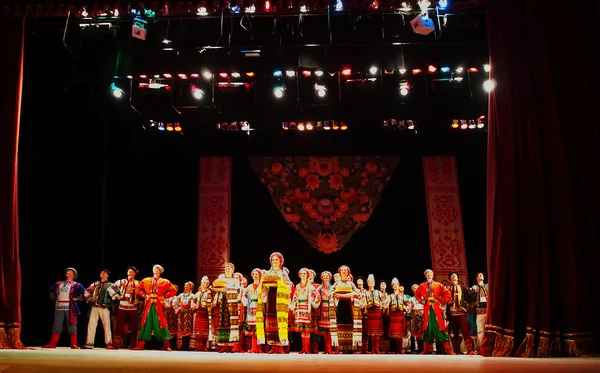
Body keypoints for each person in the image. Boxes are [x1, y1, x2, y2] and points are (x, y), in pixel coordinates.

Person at [132, 264, 178, 351]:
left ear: (160, 271)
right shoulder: (146, 280)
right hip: (148, 304)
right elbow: (137, 288)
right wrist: (144, 295)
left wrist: (164, 296)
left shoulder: (165, 281)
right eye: (154, 268)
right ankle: (140, 345)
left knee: (162, 323)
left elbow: (174, 290)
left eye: (157, 269)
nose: (155, 270)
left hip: (159, 305)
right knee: (145, 322)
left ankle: (166, 345)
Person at [256, 252, 292, 354]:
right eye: (273, 260)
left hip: (280, 298)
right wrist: (264, 286)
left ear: (281, 261)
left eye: (277, 260)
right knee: (270, 320)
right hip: (270, 297)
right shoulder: (267, 273)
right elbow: (262, 285)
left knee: (280, 321)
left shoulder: (283, 273)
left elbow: (289, 285)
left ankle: (280, 347)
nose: (275, 262)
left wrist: (280, 284)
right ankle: (273, 347)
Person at [42, 267, 86, 349]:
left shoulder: (76, 285)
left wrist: (78, 298)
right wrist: (54, 297)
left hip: (70, 307)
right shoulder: (59, 283)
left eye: (70, 272)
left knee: (72, 325)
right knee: (57, 325)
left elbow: (86, 293)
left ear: (73, 274)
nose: (68, 272)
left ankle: (73, 344)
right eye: (67, 271)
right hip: (59, 306)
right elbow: (51, 291)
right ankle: (52, 343)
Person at [414, 269, 454, 354]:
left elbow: (447, 294)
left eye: (431, 274)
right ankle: (426, 350)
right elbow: (417, 294)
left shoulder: (438, 285)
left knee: (441, 327)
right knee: (427, 327)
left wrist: (439, 300)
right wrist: (423, 301)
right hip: (427, 308)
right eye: (427, 274)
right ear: (425, 276)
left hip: (436, 308)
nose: (429, 275)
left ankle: (448, 349)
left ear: (433, 275)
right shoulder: (422, 286)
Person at [331, 265, 364, 353]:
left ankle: (351, 348)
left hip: (349, 305)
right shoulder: (337, 283)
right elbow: (330, 293)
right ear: (340, 272)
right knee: (341, 324)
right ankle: (342, 348)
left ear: (348, 272)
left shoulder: (351, 284)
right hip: (341, 306)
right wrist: (337, 295)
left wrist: (342, 295)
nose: (344, 271)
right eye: (342, 270)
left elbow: (358, 294)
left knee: (350, 324)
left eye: (345, 270)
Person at [107, 266, 141, 349]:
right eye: (129, 271)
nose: (130, 272)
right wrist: (116, 295)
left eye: (132, 271)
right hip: (122, 305)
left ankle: (134, 344)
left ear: (135, 273)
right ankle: (116, 344)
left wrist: (139, 301)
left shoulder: (138, 283)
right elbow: (110, 288)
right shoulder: (121, 281)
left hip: (133, 306)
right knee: (119, 325)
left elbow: (142, 292)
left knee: (134, 325)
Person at [212, 262, 241, 352]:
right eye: (226, 268)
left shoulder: (235, 281)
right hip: (224, 301)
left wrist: (221, 288)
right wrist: (214, 289)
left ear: (232, 270)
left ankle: (230, 345)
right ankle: (223, 345)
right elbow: (220, 288)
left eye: (229, 268)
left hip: (232, 302)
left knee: (231, 323)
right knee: (223, 322)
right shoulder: (222, 279)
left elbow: (236, 290)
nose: (227, 270)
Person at [292, 268, 321, 354]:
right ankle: (303, 348)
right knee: (302, 330)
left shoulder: (310, 286)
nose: (303, 275)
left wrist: (313, 302)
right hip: (300, 308)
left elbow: (317, 295)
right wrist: (294, 308)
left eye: (304, 273)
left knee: (307, 330)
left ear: (307, 275)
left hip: (307, 309)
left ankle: (307, 349)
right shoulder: (297, 286)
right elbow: (294, 297)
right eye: (301, 273)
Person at [83, 269, 113, 349]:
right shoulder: (96, 284)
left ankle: (109, 343)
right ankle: (89, 343)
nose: (103, 274)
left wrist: (110, 303)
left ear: (108, 276)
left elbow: (116, 294)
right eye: (102, 272)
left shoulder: (110, 285)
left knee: (106, 325)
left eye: (105, 273)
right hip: (95, 306)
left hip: (104, 307)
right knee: (91, 324)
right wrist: (90, 299)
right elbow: (87, 291)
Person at [241, 269, 262, 353]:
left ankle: (260, 348)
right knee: (253, 328)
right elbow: (243, 295)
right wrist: (246, 303)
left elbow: (265, 295)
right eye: (253, 274)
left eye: (256, 274)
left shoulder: (262, 285)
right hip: (251, 307)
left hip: (259, 307)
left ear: (259, 275)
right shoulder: (249, 287)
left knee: (259, 328)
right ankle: (254, 347)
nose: (254, 275)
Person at [388, 278, 411, 354]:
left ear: (398, 285)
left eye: (396, 284)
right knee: (394, 333)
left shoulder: (402, 296)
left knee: (400, 333)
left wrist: (407, 308)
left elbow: (408, 303)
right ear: (392, 286)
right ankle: (393, 350)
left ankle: (400, 350)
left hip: (400, 315)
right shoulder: (390, 296)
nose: (395, 286)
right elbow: (385, 303)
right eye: (393, 285)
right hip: (393, 315)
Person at [364, 274, 385, 354]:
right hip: (370, 313)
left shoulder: (378, 292)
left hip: (377, 313)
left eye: (372, 281)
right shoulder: (365, 293)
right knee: (372, 332)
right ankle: (373, 349)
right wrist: (367, 305)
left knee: (378, 332)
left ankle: (377, 349)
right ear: (367, 282)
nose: (371, 283)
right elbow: (363, 302)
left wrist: (381, 305)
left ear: (374, 283)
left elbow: (384, 301)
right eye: (369, 281)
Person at [191, 276, 212, 351]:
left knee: (205, 330)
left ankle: (204, 345)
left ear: (207, 284)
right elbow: (192, 300)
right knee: (199, 330)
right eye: (202, 283)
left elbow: (211, 302)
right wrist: (194, 305)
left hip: (205, 312)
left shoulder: (209, 293)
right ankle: (199, 345)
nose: (203, 284)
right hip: (199, 311)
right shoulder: (197, 293)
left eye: (205, 283)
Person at [174, 281, 196, 350]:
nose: (185, 287)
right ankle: (182, 345)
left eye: (187, 285)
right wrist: (178, 308)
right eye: (185, 285)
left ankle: (186, 346)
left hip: (188, 313)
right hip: (182, 313)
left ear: (191, 287)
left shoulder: (192, 296)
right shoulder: (180, 295)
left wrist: (192, 307)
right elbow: (175, 303)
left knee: (187, 328)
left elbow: (194, 304)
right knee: (181, 328)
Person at [470, 272, 488, 351]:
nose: (480, 276)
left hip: (488, 311)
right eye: (478, 275)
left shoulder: (487, 286)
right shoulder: (474, 288)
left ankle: (489, 346)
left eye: (482, 275)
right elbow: (469, 298)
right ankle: (481, 347)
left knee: (489, 330)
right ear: (476, 278)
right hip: (479, 311)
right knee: (480, 330)